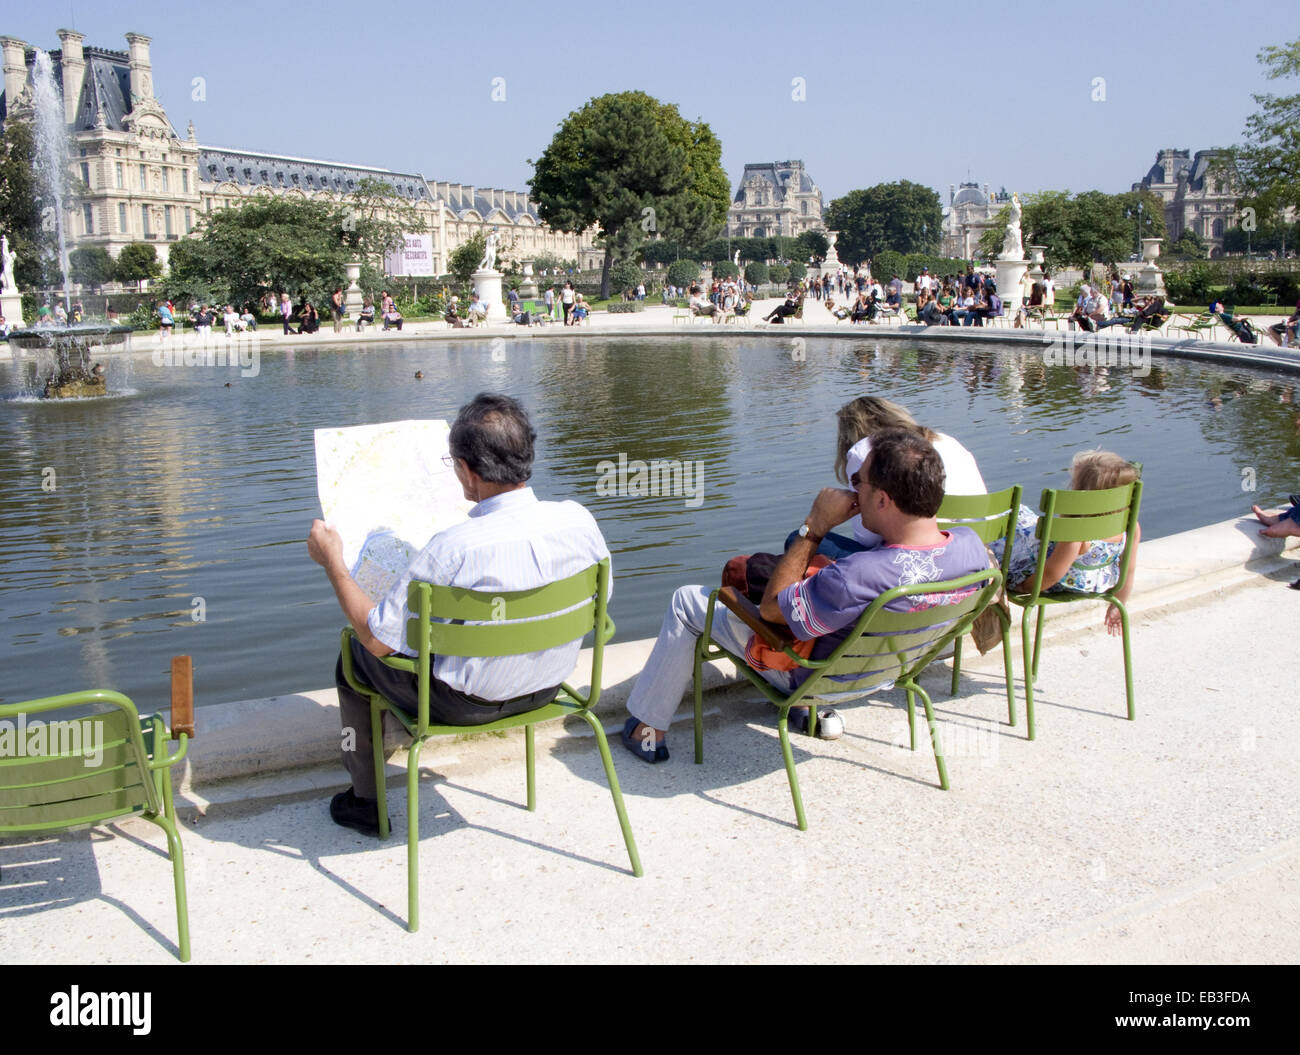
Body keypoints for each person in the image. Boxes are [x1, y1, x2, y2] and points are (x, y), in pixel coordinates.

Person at [308, 393, 612, 833]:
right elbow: (598, 610)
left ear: (467, 471)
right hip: (549, 687)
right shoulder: (579, 521)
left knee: (354, 653)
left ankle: (365, 801)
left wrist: (333, 563)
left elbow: (377, 639)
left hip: (465, 706)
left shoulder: (452, 549)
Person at [620, 429, 990, 762]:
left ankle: (647, 731)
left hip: (821, 683)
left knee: (688, 601)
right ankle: (809, 715)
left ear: (883, 500)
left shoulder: (859, 575)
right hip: (888, 673)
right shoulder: (973, 552)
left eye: (858, 481)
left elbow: (771, 609)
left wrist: (815, 525)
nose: (853, 489)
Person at [991, 450, 1140, 634]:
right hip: (1099, 582)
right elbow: (1129, 568)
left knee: (1009, 523)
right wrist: (1119, 603)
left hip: (1053, 581)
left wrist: (1024, 587)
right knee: (1024, 521)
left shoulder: (1077, 531)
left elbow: (1052, 573)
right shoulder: (1130, 526)